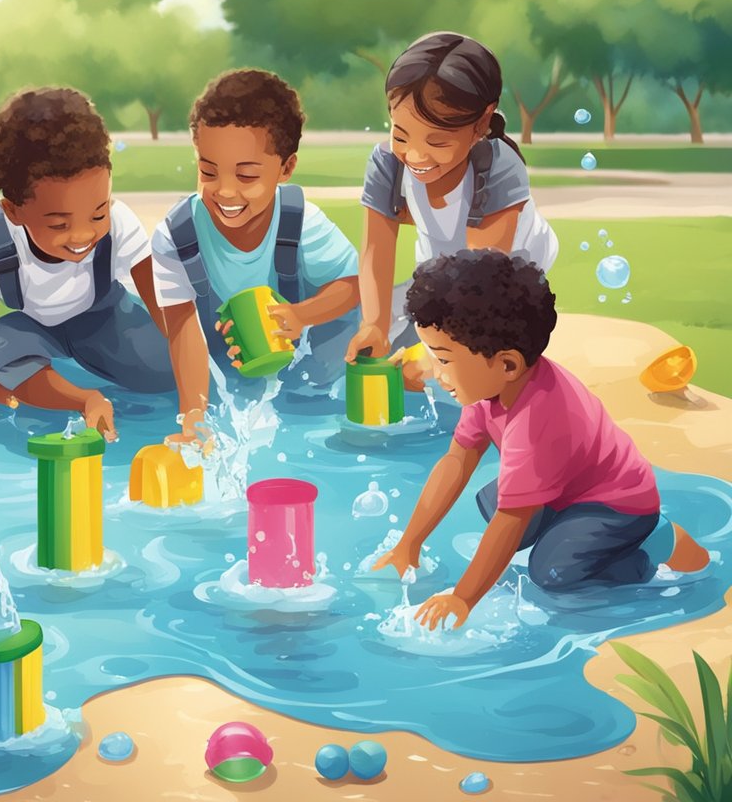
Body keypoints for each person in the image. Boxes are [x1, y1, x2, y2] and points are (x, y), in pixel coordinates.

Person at [373, 250, 709, 630]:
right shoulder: (490, 387)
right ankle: (573, 533)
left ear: (508, 363)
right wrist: (409, 544)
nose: (435, 375)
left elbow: (511, 520)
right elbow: (456, 462)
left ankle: (658, 541)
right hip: (566, 488)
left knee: (551, 572)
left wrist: (462, 596)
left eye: (444, 361)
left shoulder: (539, 417)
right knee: (493, 498)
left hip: (617, 505)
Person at [150, 69, 360, 446]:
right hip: (228, 350)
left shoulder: (301, 221)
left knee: (309, 400)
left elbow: (351, 286)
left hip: (305, 347)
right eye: (207, 171)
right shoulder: (176, 235)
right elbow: (183, 332)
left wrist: (300, 316)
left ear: (286, 168)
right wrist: (194, 416)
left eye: (246, 176)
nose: (225, 191)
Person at [0, 87, 174, 441]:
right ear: (15, 211)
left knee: (168, 367)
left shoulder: (120, 222)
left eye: (98, 213)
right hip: (31, 328)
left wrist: (185, 351)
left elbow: (163, 304)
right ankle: (81, 398)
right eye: (59, 224)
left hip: (104, 319)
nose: (83, 235)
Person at [347, 32, 559, 390]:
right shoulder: (386, 162)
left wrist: (432, 359)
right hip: (439, 267)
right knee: (374, 346)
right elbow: (376, 250)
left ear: (480, 124)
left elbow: (481, 280)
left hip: (507, 273)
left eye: (437, 141)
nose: (415, 156)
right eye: (401, 136)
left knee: (474, 371)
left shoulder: (497, 167)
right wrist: (375, 325)